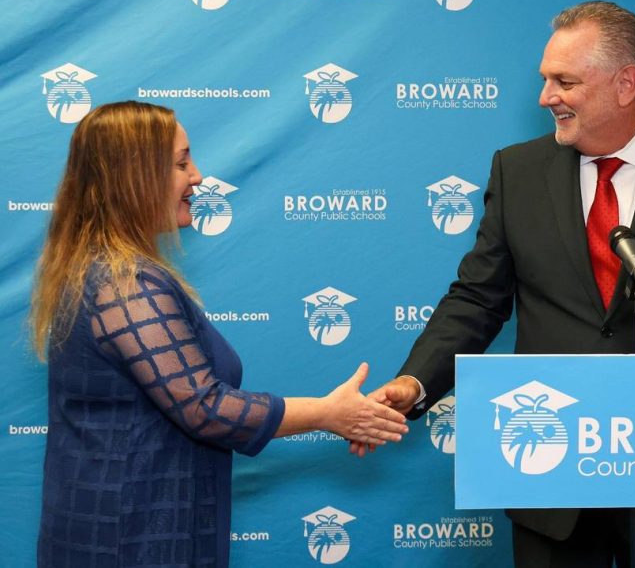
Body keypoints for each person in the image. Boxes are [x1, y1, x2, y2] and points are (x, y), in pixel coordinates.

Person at [353, 1, 635, 567]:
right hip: (551, 474)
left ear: (625, 84)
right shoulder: (517, 172)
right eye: (545, 80)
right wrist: (414, 383)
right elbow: (476, 300)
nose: (546, 97)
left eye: (564, 81)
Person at [30, 101, 408, 567]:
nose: (198, 176)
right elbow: (205, 407)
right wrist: (328, 413)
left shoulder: (109, 272)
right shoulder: (123, 283)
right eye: (181, 162)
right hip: (130, 540)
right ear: (134, 176)